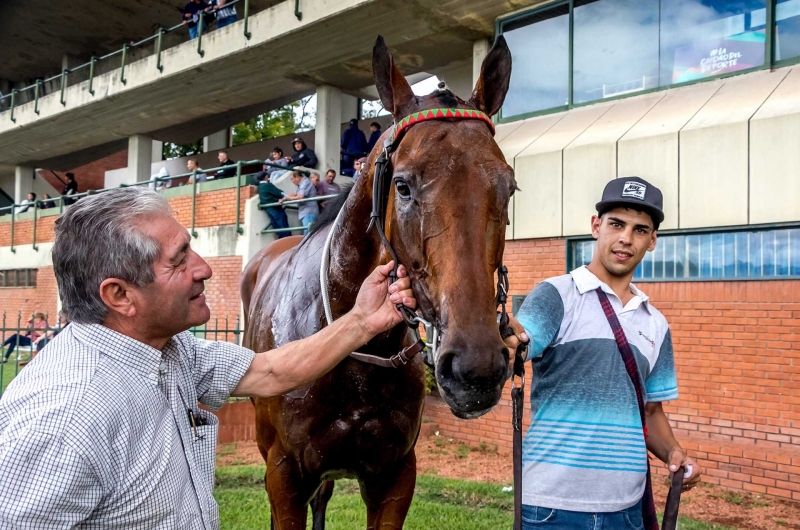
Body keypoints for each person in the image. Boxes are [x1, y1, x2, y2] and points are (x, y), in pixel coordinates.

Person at [0, 187, 415, 528]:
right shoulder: (62, 419)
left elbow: (269, 370)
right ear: (119, 295)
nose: (205, 269)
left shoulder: (167, 352)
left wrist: (362, 321)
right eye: (179, 260)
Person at [502, 177, 702, 530]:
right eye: (616, 224)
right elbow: (517, 342)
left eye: (640, 230)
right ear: (596, 226)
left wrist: (673, 452)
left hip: (627, 510)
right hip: (551, 507)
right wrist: (504, 336)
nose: (626, 238)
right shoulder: (556, 295)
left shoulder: (655, 324)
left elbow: (651, 410)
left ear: (652, 241)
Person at [281, 170, 318, 235]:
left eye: (292, 179)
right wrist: (284, 199)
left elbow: (301, 196)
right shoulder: (301, 184)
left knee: (308, 233)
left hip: (309, 212)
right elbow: (295, 193)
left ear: (297, 177)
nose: (292, 181)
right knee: (308, 232)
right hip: (306, 212)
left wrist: (288, 198)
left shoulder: (305, 183)